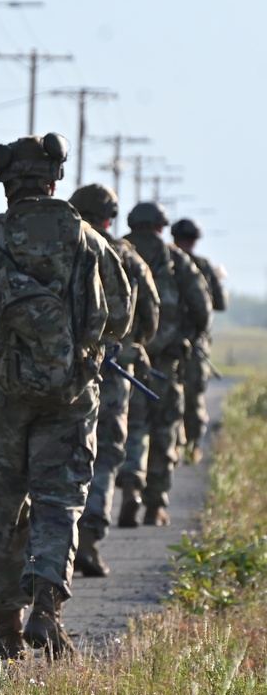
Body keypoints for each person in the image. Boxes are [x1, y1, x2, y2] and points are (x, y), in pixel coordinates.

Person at [0, 135, 131, 660]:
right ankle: (48, 611)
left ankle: (7, 625)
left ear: (4, 183)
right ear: (54, 180)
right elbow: (122, 318)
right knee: (59, 501)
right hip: (71, 395)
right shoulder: (91, 241)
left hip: (0, 399)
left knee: (5, 506)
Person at [68, 184, 159, 577]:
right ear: (111, 215)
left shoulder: (65, 245)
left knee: (59, 453)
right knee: (105, 454)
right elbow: (150, 317)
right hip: (113, 369)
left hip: (63, 368)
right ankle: (88, 540)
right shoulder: (126, 255)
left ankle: (51, 547)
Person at [120, 203, 211, 527]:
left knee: (130, 425)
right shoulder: (177, 259)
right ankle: (155, 504)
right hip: (165, 362)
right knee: (164, 429)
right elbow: (202, 308)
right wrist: (186, 337)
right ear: (161, 226)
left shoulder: (118, 251)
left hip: (125, 361)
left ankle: (131, 484)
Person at [171, 217, 228, 464]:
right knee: (193, 397)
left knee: (166, 393)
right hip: (194, 344)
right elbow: (220, 303)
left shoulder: (162, 261)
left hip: (163, 342)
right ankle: (192, 445)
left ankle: (173, 443)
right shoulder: (202, 266)